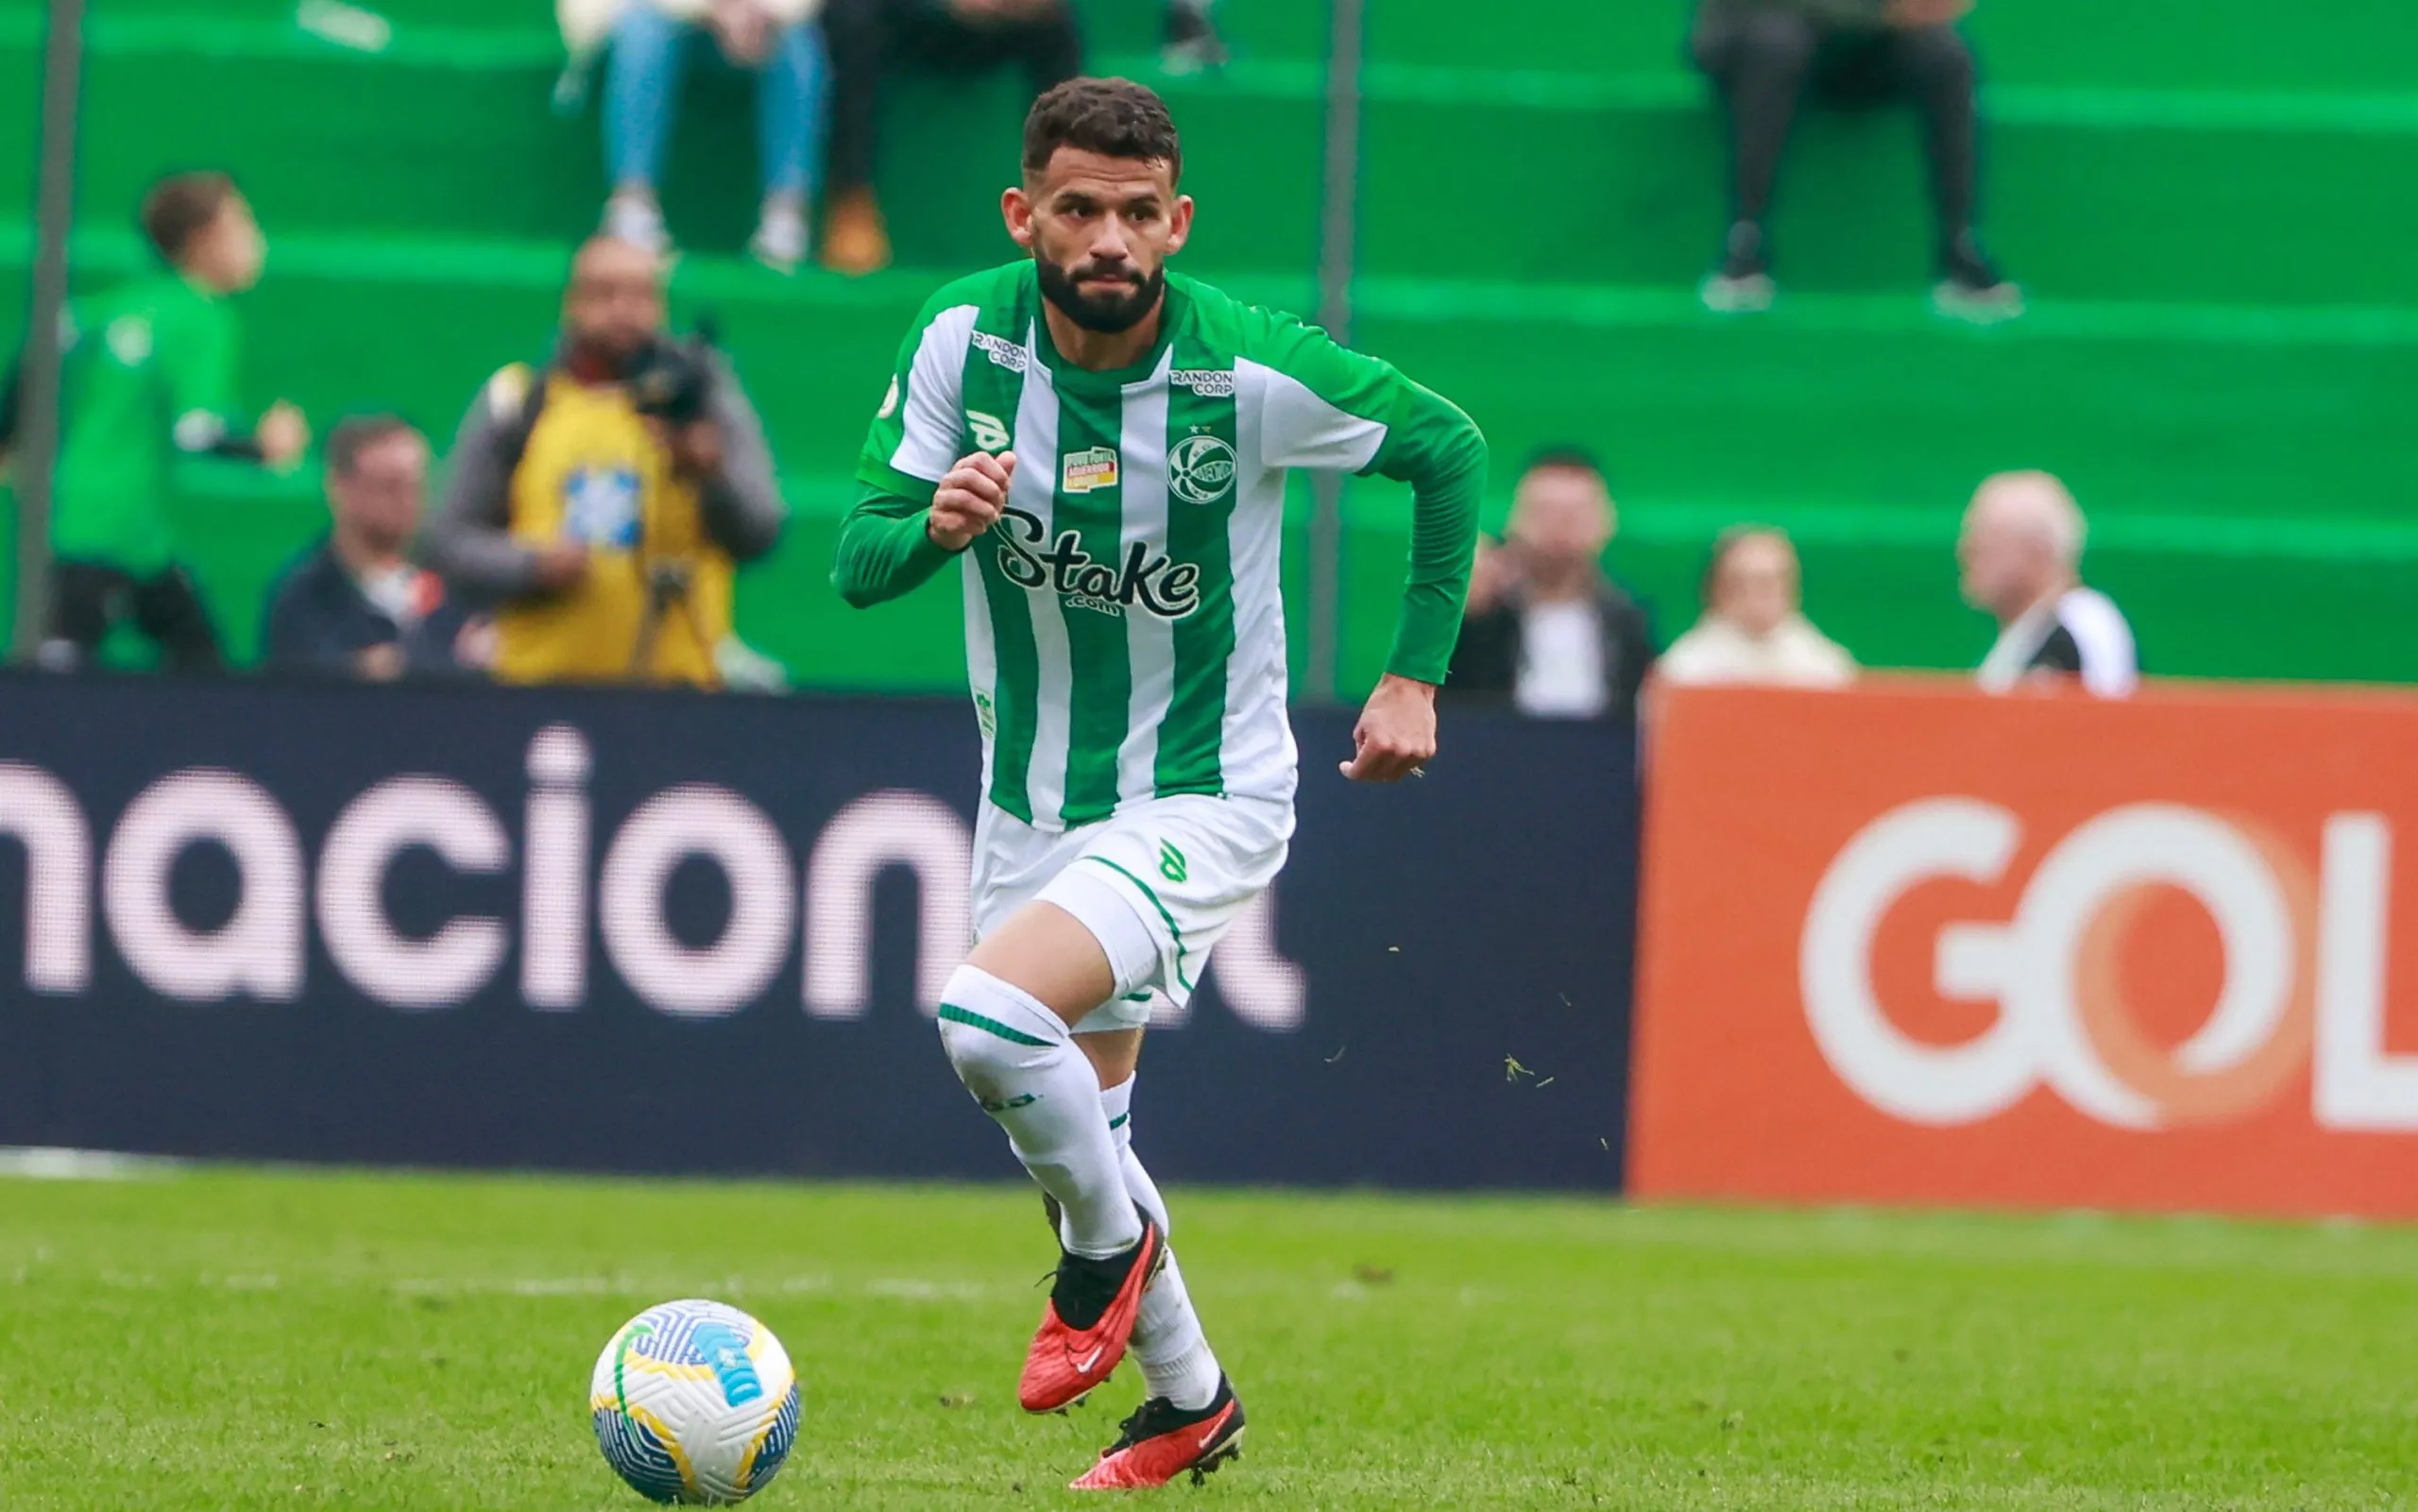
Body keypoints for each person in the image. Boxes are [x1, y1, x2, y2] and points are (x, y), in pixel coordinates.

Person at [833, 78, 1484, 1488]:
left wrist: (1413, 675)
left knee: (987, 1020)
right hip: (1030, 801)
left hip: (1205, 789)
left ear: (1178, 222)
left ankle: (1106, 1257)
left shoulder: (1243, 371)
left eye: (1138, 212)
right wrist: (931, 527)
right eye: (1079, 209)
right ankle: (1190, 1398)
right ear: (1025, 215)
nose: (1110, 239)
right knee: (1086, 1124)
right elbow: (855, 561)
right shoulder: (959, 338)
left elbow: (1447, 448)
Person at [420, 236, 786, 688]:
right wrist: (532, 565)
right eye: (604, 293)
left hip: (679, 691)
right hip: (542, 688)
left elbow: (760, 531)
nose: (623, 311)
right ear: (572, 304)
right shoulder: (519, 401)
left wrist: (709, 475)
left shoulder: (703, 399)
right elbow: (447, 541)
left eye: (640, 295)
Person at [37, 172, 309, 673]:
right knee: (184, 668)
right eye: (243, 224)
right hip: (119, 529)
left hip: (93, 519)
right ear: (204, 242)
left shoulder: (130, 301)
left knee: (187, 655)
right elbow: (197, 432)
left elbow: (45, 338)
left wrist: (8, 433)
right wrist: (264, 450)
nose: (256, 241)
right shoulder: (205, 317)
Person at [1689, 0, 2019, 320]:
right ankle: (1745, 242)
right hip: (1753, 34)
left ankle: (1961, 248)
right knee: (1778, 42)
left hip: (1857, 42)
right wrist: (1884, 14)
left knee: (1945, 53)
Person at [817, 0, 1083, 275]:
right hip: (908, 20)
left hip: (992, 26)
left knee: (1056, 24)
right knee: (854, 16)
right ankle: (852, 202)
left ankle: (1056, 209)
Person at [600, 0, 829, 271]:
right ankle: (631, 206)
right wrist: (715, 11)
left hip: (759, 25)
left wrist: (764, 11)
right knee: (642, 30)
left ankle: (786, 219)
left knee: (797, 43)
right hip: (671, 18)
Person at [261, 415, 487, 680]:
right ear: (340, 488)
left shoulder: (456, 584)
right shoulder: (304, 597)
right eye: (390, 486)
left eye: (417, 485)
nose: (407, 500)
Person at [1444, 449, 1654, 722]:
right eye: (1544, 512)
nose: (1559, 527)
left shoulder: (1628, 622)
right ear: (1514, 519)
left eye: (1574, 514)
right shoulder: (1480, 620)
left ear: (1606, 522)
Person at [1959, 469, 2137, 696]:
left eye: (1983, 546)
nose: (1965, 555)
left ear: (2037, 550)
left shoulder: (2082, 627)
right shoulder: (2028, 635)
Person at [1659, 525, 1854, 688]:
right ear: (1719, 589)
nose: (1760, 596)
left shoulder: (1822, 662)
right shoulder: (1686, 666)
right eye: (1743, 583)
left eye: (1773, 582)